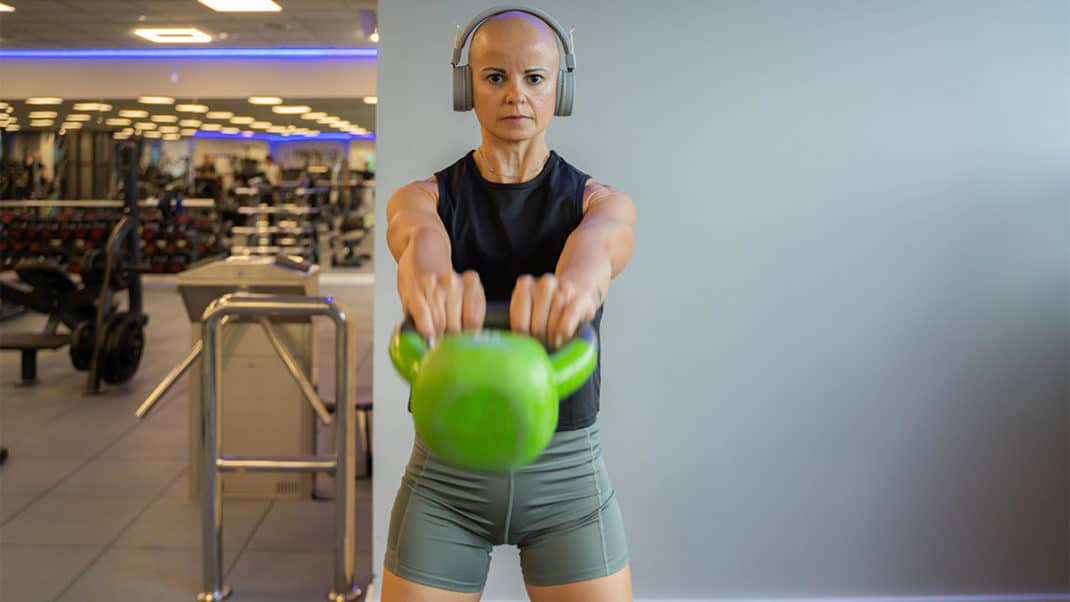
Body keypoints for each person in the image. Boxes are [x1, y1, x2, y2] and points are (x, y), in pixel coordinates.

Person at [382, 7, 637, 602]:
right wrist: (430, 278)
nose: (515, 94)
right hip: (445, 485)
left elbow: (599, 250)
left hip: (566, 484)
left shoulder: (603, 203)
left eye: (535, 78)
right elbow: (418, 238)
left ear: (560, 89)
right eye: (494, 76)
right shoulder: (421, 199)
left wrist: (571, 291)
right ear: (466, 86)